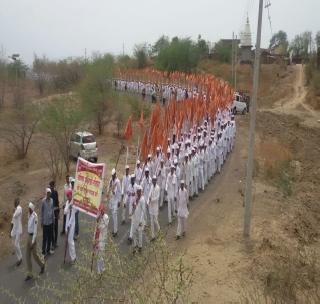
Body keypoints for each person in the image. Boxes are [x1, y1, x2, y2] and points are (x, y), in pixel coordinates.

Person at [25, 202, 45, 281]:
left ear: (32, 208)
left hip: (33, 237)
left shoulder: (35, 216)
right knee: (27, 256)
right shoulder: (28, 214)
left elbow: (35, 230)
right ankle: (30, 274)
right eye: (28, 208)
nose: (28, 209)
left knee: (35, 255)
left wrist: (33, 241)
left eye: (29, 208)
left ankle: (42, 265)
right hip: (28, 236)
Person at [131, 185, 146, 252]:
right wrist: (133, 205)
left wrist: (140, 221)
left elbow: (143, 212)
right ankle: (135, 245)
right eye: (137, 191)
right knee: (134, 232)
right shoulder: (136, 198)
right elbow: (134, 207)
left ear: (141, 192)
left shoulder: (142, 200)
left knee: (139, 233)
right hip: (135, 218)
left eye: (139, 191)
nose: (138, 193)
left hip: (140, 219)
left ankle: (140, 246)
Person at [95, 203, 109, 274]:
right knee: (97, 254)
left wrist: (98, 220)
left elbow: (102, 227)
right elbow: (96, 228)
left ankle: (102, 268)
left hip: (103, 238)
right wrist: (97, 220)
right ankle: (98, 270)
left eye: (102, 210)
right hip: (98, 237)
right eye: (100, 210)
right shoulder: (99, 217)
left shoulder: (106, 217)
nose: (101, 211)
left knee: (101, 255)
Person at [64, 190, 76, 264]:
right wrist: (68, 206)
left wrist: (69, 225)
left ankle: (73, 257)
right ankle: (72, 256)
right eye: (67, 196)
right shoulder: (67, 203)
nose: (68, 197)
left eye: (69, 196)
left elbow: (73, 216)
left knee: (70, 241)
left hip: (71, 224)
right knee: (68, 241)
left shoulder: (74, 204)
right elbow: (65, 212)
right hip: (67, 224)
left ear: (71, 195)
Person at [41, 188, 54, 257]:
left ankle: (48, 250)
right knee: (44, 238)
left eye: (49, 193)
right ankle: (43, 252)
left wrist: (53, 219)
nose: (49, 194)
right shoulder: (43, 201)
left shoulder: (52, 200)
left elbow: (52, 210)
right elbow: (42, 211)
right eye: (48, 193)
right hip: (45, 222)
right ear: (46, 193)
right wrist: (41, 221)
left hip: (51, 222)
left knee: (49, 237)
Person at [108, 169, 121, 237]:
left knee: (115, 215)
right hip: (112, 200)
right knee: (113, 216)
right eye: (112, 175)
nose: (112, 177)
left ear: (115, 174)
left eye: (113, 175)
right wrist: (109, 185)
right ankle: (114, 229)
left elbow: (118, 192)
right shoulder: (111, 180)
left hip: (116, 200)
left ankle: (115, 231)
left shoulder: (117, 182)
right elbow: (108, 189)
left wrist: (119, 201)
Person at [147, 176, 160, 240]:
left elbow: (157, 198)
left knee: (155, 221)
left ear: (156, 180)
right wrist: (147, 202)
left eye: (155, 180)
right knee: (151, 222)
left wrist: (151, 200)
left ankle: (159, 233)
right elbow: (149, 194)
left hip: (155, 207)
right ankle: (153, 236)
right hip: (151, 207)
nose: (154, 181)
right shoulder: (151, 187)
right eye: (153, 180)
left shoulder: (158, 188)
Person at [11, 198, 22, 266]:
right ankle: (19, 257)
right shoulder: (16, 209)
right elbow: (12, 221)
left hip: (18, 229)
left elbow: (15, 215)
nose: (15, 202)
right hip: (15, 229)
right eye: (15, 201)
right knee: (15, 243)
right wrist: (11, 231)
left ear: (18, 202)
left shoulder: (19, 208)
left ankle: (20, 258)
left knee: (16, 244)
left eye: (16, 201)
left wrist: (14, 211)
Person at [49, 181, 59, 249]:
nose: (52, 187)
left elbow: (57, 202)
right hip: (51, 213)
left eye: (52, 186)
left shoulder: (55, 192)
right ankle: (53, 243)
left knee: (56, 228)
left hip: (55, 212)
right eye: (51, 186)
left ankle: (55, 242)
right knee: (52, 229)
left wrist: (58, 212)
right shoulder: (48, 194)